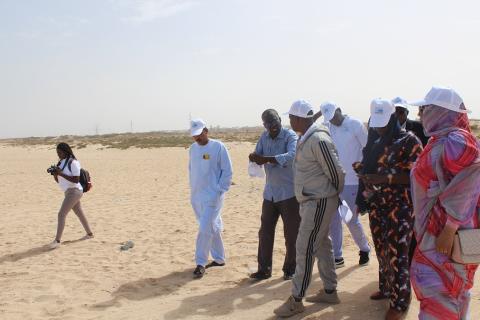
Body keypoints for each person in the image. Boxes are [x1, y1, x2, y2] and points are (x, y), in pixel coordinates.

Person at [409, 86, 480, 320]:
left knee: (441, 294)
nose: (420, 115)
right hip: (443, 237)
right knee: (453, 296)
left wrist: (449, 227)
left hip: (446, 238)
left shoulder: (456, 140)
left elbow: (472, 176)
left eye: (424, 108)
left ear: (440, 111)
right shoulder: (444, 139)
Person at [274, 100, 345, 318]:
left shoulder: (318, 139)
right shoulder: (307, 138)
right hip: (312, 201)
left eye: (291, 117)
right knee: (322, 244)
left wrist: (333, 195)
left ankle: (296, 299)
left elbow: (336, 173)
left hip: (319, 200)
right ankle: (330, 291)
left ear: (299, 118)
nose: (289, 120)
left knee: (304, 248)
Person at [355, 99, 422, 320]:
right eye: (377, 122)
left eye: (384, 123)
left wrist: (385, 178)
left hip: (401, 208)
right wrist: (364, 173)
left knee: (398, 255)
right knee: (382, 250)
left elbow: (417, 177)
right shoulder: (376, 140)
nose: (380, 127)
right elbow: (371, 166)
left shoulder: (409, 141)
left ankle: (400, 302)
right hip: (378, 206)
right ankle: (386, 288)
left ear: (394, 118)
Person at [315, 102, 371, 268]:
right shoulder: (327, 126)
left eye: (333, 115)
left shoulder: (355, 124)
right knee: (333, 220)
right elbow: (307, 124)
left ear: (339, 110)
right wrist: (320, 114)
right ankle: (337, 256)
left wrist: (364, 175)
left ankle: (364, 248)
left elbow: (367, 148)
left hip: (352, 182)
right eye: (328, 117)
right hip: (333, 182)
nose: (332, 120)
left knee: (350, 219)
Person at [248, 109, 300, 281]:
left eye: (275, 121)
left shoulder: (289, 135)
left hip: (289, 193)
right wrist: (254, 157)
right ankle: (264, 269)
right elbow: (258, 153)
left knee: (291, 234)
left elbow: (292, 156)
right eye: (268, 123)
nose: (272, 126)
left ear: (279, 119)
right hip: (270, 193)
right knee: (265, 233)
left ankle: (290, 269)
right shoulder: (263, 137)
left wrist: (268, 159)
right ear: (264, 124)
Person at [188, 119, 233, 279]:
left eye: (199, 134)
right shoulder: (192, 149)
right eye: (194, 136)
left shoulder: (218, 147)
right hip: (197, 196)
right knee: (210, 226)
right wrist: (192, 192)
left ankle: (200, 262)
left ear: (206, 130)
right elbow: (192, 171)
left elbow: (227, 171)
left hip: (214, 196)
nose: (197, 138)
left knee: (204, 228)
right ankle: (219, 259)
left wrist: (220, 190)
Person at [49, 143, 94, 249]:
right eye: (57, 153)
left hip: (75, 191)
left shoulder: (73, 163)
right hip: (68, 192)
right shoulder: (61, 163)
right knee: (79, 213)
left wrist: (60, 174)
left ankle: (57, 241)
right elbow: (59, 180)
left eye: (60, 152)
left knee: (61, 214)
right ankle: (90, 234)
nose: (58, 155)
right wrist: (55, 174)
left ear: (66, 151)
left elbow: (76, 180)